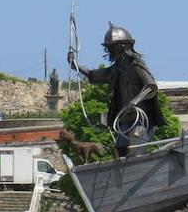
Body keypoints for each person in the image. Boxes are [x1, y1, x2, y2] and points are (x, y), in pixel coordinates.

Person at [67, 24, 164, 158]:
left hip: (140, 119)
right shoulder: (115, 70)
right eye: (111, 49)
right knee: (120, 149)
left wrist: (135, 101)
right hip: (124, 118)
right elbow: (92, 75)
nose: (113, 52)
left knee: (135, 149)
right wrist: (75, 66)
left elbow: (151, 86)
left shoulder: (137, 67)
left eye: (115, 48)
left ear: (123, 48)